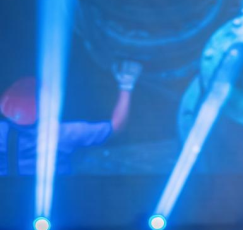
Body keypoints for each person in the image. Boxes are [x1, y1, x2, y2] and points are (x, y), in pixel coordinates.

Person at [0, 61, 142, 175]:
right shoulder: (64, 134)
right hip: (58, 194)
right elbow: (116, 127)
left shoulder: (2, 132)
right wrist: (126, 84)